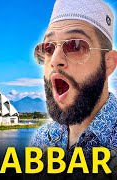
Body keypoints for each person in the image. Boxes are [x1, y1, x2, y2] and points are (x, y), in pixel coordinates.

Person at [30, 0, 117, 177]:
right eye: (48, 48)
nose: (55, 60)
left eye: (76, 46)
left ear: (108, 63)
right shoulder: (42, 139)